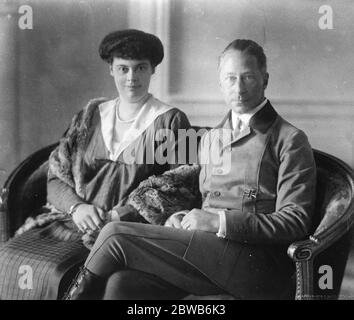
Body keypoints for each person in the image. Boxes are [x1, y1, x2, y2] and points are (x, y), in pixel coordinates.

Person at [64, 39, 316, 300]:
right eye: (230, 79)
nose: (238, 88)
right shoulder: (212, 137)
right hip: (210, 254)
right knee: (123, 284)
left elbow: (295, 221)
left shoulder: (290, 140)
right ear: (220, 84)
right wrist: (182, 216)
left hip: (256, 264)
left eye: (248, 77)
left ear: (265, 79)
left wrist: (218, 221)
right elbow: (207, 201)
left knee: (114, 234)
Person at [0, 29, 190, 300]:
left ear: (153, 70)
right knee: (7, 257)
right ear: (110, 69)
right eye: (123, 68)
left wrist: (118, 216)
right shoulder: (90, 116)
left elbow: (179, 187)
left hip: (120, 233)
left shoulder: (172, 120)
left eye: (140, 68)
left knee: (59, 274)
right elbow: (56, 174)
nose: (132, 78)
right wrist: (76, 207)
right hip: (69, 221)